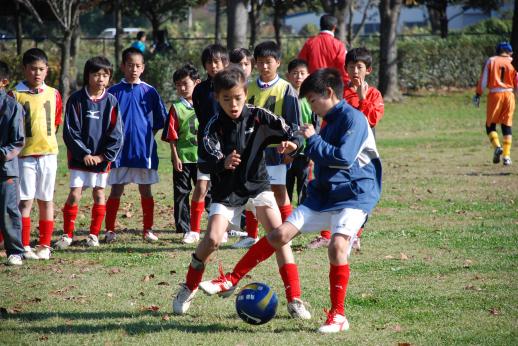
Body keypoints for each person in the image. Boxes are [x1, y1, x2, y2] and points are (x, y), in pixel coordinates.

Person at [200, 68, 382, 333]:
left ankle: (338, 316)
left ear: (328, 93)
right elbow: (319, 154)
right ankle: (231, 278)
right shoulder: (329, 119)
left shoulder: (353, 119)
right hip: (325, 194)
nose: (310, 107)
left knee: (336, 248)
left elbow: (342, 157)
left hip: (355, 194)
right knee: (278, 235)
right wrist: (297, 148)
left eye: (311, 101)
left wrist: (311, 139)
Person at [172, 67, 311, 320]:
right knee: (212, 240)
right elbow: (205, 159)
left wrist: (293, 144)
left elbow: (294, 131)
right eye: (226, 99)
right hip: (226, 192)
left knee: (280, 238)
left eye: (237, 98)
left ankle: (294, 299)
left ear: (246, 94)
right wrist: (222, 162)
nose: (233, 104)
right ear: (217, 98)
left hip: (258, 186)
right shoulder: (212, 126)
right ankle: (189, 287)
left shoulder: (259, 117)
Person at [308, 47, 385, 250]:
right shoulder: (340, 93)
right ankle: (326, 234)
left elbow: (372, 119)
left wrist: (362, 98)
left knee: (357, 191)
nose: (355, 71)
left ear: (368, 70)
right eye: (351, 67)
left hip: (360, 156)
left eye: (359, 67)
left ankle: (353, 234)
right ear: (345, 69)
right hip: (337, 148)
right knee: (330, 186)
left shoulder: (374, 94)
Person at [233, 41, 302, 249]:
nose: (264, 67)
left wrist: (292, 146)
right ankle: (251, 235)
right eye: (260, 62)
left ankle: (288, 232)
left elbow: (294, 123)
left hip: (275, 152)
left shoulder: (286, 89)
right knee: (250, 192)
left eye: (268, 62)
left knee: (279, 190)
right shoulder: (249, 87)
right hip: (252, 151)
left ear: (278, 63)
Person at [55, 57, 123, 249]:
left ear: (109, 78)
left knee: (99, 194)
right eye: (96, 74)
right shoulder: (77, 99)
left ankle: (93, 235)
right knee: (75, 194)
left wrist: (102, 156)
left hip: (102, 159)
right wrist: (84, 153)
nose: (100, 79)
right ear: (87, 76)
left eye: (105, 75)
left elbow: (117, 133)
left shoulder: (111, 101)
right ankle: (67, 234)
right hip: (80, 158)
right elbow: (70, 131)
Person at [104, 47, 167, 242]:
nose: (134, 69)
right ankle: (109, 230)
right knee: (116, 189)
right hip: (119, 152)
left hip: (143, 152)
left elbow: (159, 120)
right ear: (123, 66)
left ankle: (148, 230)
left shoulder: (150, 91)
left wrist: (146, 136)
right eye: (130, 65)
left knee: (145, 190)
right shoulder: (113, 92)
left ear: (143, 68)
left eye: (138, 65)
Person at [10, 48, 62, 260]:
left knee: (46, 199)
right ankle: (23, 245)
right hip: (24, 157)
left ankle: (45, 245)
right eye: (33, 69)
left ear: (47, 70)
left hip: (49, 154)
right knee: (25, 201)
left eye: (41, 69)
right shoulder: (15, 95)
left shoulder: (53, 93)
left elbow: (57, 121)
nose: (37, 73)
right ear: (25, 69)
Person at [189, 44, 229, 240]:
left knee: (223, 187)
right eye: (209, 62)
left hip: (228, 144)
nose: (213, 66)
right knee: (202, 186)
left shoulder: (232, 86)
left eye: (217, 62)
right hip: (206, 144)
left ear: (225, 63)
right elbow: (201, 115)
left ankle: (220, 229)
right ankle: (194, 230)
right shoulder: (200, 90)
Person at [161, 64, 203, 243]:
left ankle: (212, 225)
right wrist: (175, 156)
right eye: (178, 85)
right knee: (181, 193)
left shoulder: (205, 105)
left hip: (203, 157)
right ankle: (183, 228)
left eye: (185, 83)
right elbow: (172, 135)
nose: (182, 88)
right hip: (183, 158)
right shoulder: (176, 107)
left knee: (206, 193)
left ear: (197, 83)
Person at [474, 41, 517, 166]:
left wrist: (478, 94)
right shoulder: (513, 61)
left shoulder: (491, 60)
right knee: (506, 125)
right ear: (508, 51)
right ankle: (507, 156)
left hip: (495, 94)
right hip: (509, 95)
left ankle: (497, 147)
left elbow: (484, 80)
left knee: (490, 125)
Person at [0, 60, 26, 266]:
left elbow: (18, 142)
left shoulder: (13, 107)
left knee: (8, 211)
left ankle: (15, 251)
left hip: (6, 170)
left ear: (4, 82)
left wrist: (2, 154)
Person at [285, 58, 316, 206]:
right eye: (295, 73)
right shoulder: (285, 98)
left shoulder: (311, 100)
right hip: (288, 152)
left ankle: (301, 219)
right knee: (286, 187)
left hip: (305, 153)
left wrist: (313, 150)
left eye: (302, 73)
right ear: (288, 76)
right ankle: (285, 219)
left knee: (304, 187)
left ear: (308, 76)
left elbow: (315, 125)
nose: (298, 77)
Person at [298, 14, 348, 83]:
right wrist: (346, 82)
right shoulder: (339, 45)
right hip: (332, 85)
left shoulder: (309, 43)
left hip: (313, 84)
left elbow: (300, 63)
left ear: (320, 26)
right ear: (334, 27)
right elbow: (343, 65)